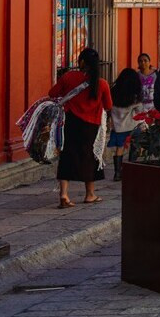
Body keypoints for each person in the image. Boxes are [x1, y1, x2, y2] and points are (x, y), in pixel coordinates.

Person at [48, 48, 111, 208]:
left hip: (71, 123)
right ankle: (90, 194)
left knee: (67, 155)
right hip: (91, 126)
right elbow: (108, 105)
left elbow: (52, 93)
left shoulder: (68, 77)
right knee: (90, 157)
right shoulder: (102, 83)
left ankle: (64, 195)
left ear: (82, 62)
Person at [108, 68, 143, 182]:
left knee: (120, 148)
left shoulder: (113, 93)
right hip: (132, 126)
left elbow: (109, 107)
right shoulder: (134, 96)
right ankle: (131, 170)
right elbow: (139, 111)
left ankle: (117, 173)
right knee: (135, 146)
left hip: (118, 127)